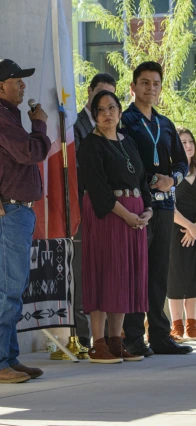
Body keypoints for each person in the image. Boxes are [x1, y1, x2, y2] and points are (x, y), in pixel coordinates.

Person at [120, 61, 191, 356]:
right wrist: (151, 180)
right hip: (138, 207)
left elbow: (182, 163)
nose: (151, 88)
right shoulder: (124, 120)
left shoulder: (165, 124)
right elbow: (122, 160)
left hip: (165, 207)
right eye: (145, 83)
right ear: (133, 87)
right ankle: (133, 337)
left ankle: (161, 336)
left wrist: (170, 179)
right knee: (138, 272)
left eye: (156, 84)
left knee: (159, 272)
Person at [79, 90, 152, 363]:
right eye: (101, 110)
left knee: (123, 277)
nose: (107, 114)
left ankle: (115, 340)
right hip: (108, 215)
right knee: (104, 273)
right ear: (94, 115)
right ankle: (98, 343)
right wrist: (127, 215)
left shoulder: (128, 141)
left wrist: (148, 211)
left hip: (134, 216)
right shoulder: (90, 145)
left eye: (112, 108)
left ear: (120, 112)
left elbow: (142, 181)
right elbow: (98, 190)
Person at [0, 59, 50, 382]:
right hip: (11, 212)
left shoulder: (9, 117)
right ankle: (2, 361)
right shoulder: (3, 119)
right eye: (17, 80)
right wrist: (41, 125)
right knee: (8, 290)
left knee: (12, 289)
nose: (23, 85)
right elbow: (31, 152)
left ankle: (10, 357)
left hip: (19, 211)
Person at [73, 72, 117, 349]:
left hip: (113, 211)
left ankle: (113, 337)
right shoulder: (73, 125)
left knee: (108, 274)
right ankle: (82, 338)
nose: (103, 103)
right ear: (89, 92)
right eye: (99, 95)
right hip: (83, 208)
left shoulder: (115, 130)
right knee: (82, 274)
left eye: (109, 98)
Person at [167, 128, 196, 342]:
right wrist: (189, 227)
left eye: (190, 141)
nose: (188, 145)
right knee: (175, 279)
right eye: (183, 142)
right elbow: (170, 207)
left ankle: (192, 326)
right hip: (176, 231)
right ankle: (176, 327)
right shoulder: (170, 173)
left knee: (194, 278)